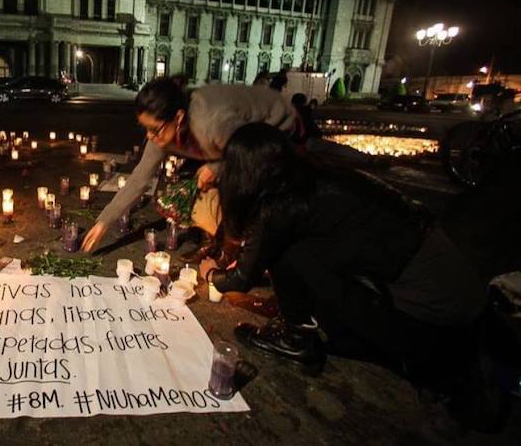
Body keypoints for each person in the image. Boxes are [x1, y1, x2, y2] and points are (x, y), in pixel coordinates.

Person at [201, 122, 500, 430]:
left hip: (432, 309)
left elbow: (243, 278)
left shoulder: (280, 205)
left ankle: (297, 339)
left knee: (289, 254)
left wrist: (212, 274)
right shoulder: (311, 178)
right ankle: (309, 331)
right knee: (297, 253)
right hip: (455, 285)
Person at [80, 78, 298, 256]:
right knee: (190, 186)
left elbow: (248, 152)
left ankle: (242, 252)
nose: (150, 136)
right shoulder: (163, 133)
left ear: (178, 117)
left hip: (276, 125)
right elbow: (139, 178)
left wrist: (216, 167)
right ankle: (213, 238)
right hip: (228, 143)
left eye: (154, 129)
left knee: (238, 189)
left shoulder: (211, 123)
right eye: (145, 129)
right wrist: (104, 221)